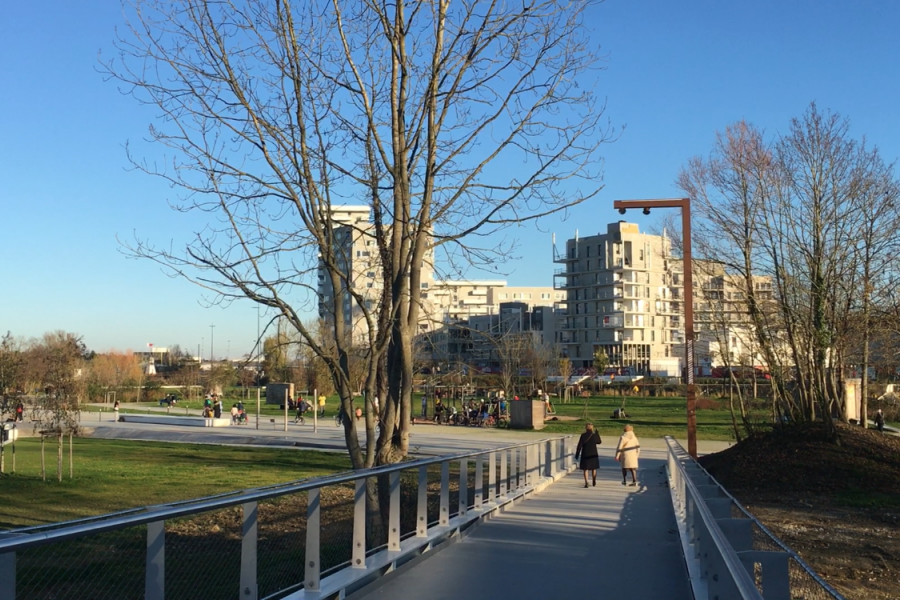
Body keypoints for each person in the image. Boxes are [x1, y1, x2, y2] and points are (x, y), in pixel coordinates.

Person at [575, 423, 602, 488]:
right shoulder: (594, 435)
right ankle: (594, 479)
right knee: (594, 468)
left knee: (585, 469)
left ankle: (586, 482)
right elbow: (599, 442)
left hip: (585, 453)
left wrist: (577, 453)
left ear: (586, 428)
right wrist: (597, 434)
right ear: (592, 428)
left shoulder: (583, 435)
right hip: (593, 454)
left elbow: (579, 445)